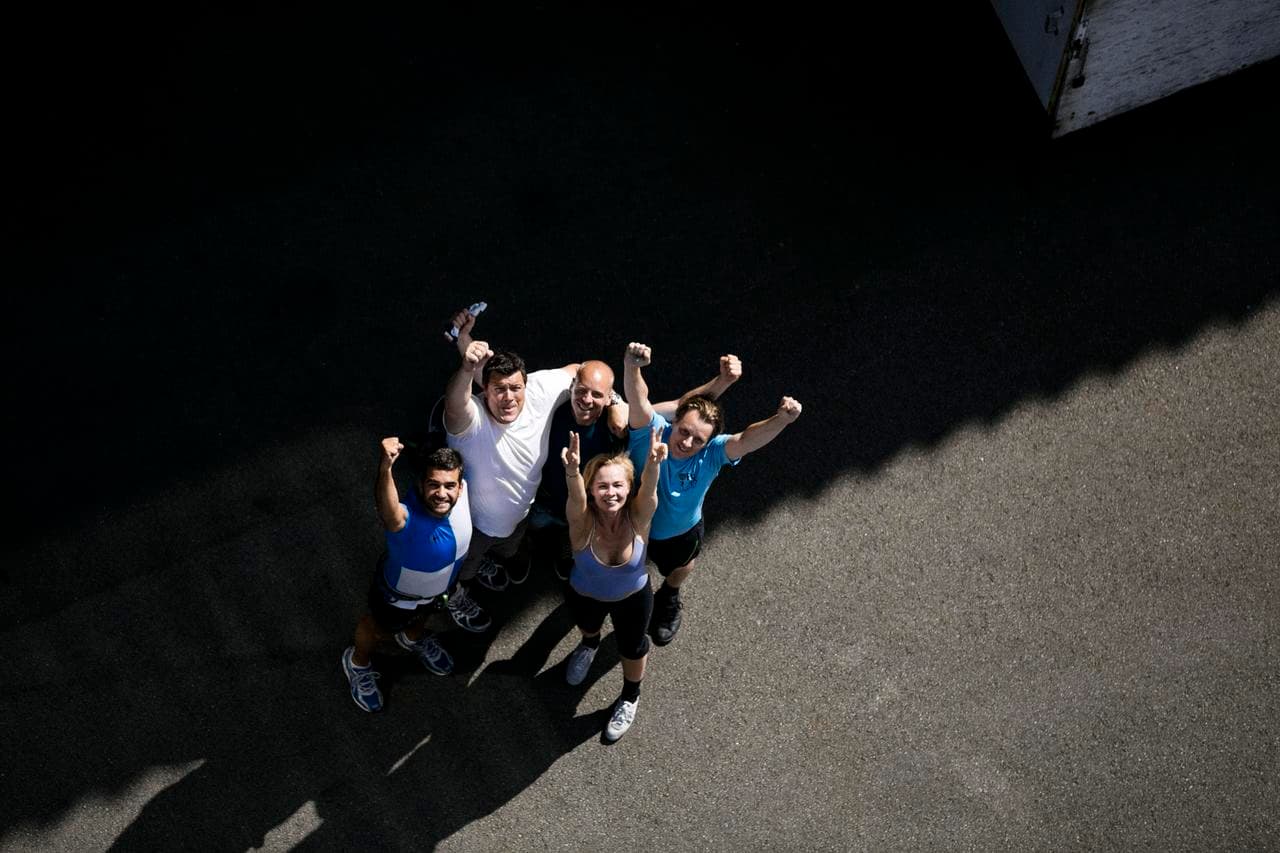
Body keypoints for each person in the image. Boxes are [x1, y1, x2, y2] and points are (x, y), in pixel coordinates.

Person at [623, 342, 803, 646]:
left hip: (678, 533)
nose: (686, 442)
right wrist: (631, 366)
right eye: (683, 431)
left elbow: (747, 439)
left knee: (681, 569)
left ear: (709, 442)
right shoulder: (649, 431)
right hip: (631, 525)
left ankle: (669, 596)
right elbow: (638, 398)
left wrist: (781, 420)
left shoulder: (713, 454)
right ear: (674, 422)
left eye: (697, 439)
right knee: (623, 575)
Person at [529, 354, 743, 581]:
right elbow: (572, 369)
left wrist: (724, 381)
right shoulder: (553, 409)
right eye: (582, 391)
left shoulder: (622, 423)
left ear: (607, 397)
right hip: (547, 499)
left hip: (595, 507)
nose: (587, 400)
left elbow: (680, 407)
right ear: (572, 387)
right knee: (527, 530)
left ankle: (568, 540)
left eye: (598, 395)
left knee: (584, 538)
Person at [442, 311, 578, 632]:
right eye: (498, 389)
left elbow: (578, 371)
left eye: (515, 388)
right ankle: (454, 595)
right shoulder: (470, 421)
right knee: (462, 568)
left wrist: (612, 402)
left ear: (526, 385)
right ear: (483, 391)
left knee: (508, 546)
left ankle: (488, 562)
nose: (508, 398)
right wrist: (466, 367)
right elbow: (454, 404)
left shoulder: (539, 392)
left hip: (519, 517)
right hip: (472, 528)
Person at [341, 439, 471, 713]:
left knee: (423, 617)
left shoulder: (461, 496)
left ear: (460, 486)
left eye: (449, 486)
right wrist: (386, 467)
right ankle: (357, 662)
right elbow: (389, 510)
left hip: (438, 592)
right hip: (397, 599)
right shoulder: (405, 519)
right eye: (433, 485)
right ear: (421, 485)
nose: (441, 493)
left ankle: (411, 639)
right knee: (375, 628)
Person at [559, 426, 667, 742]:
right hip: (584, 595)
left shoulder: (639, 517)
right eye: (602, 486)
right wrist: (572, 473)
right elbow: (574, 498)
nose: (611, 492)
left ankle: (631, 696)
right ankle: (590, 645)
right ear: (591, 490)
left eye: (618, 485)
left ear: (628, 487)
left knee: (632, 647)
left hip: (633, 598)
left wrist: (653, 464)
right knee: (588, 628)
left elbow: (649, 491)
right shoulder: (582, 523)